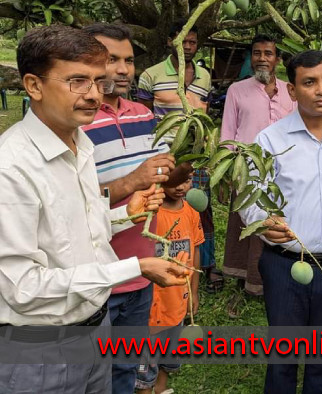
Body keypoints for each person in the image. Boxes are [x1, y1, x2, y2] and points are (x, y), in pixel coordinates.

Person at [0, 25, 188, 393]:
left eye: (97, 81)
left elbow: (72, 232)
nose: (92, 95)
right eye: (76, 81)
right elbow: (21, 287)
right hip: (43, 350)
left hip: (94, 332)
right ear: (34, 86)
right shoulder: (12, 167)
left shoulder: (79, 144)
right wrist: (136, 267)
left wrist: (123, 214)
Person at [241, 50, 322, 394]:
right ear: (293, 90)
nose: (321, 90)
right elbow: (250, 198)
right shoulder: (270, 140)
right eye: (309, 82)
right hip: (285, 266)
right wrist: (264, 221)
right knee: (283, 356)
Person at [81, 23, 192, 394]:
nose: (124, 69)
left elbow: (155, 178)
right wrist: (133, 181)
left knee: (126, 369)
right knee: (91, 375)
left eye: (128, 60)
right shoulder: (76, 124)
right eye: (111, 59)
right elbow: (73, 204)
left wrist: (175, 178)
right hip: (97, 279)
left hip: (143, 271)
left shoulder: (144, 115)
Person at [137, 20, 216, 286]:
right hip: (165, 152)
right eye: (184, 42)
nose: (189, 47)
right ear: (172, 42)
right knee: (161, 206)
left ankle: (201, 264)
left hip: (196, 154)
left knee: (198, 209)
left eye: (193, 42)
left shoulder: (205, 76)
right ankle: (158, 259)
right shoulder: (151, 74)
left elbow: (204, 110)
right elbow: (144, 117)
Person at [220, 34, 296, 308]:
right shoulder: (237, 90)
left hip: (283, 172)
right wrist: (227, 170)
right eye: (257, 53)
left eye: (268, 53)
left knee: (277, 222)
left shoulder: (291, 91)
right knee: (246, 225)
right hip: (246, 170)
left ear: (277, 58)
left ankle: (275, 278)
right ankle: (245, 282)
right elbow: (228, 133)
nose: (262, 58)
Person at [136, 171, 204, 394]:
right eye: (174, 182)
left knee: (168, 357)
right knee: (146, 366)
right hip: (152, 305)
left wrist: (193, 292)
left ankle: (161, 390)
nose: (180, 187)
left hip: (178, 302)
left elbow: (195, 249)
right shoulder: (150, 214)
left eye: (186, 181)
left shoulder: (192, 213)